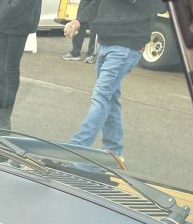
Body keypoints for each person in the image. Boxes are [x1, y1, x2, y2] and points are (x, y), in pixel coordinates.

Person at [66, 0, 160, 158]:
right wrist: (78, 21)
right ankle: (114, 151)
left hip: (127, 45)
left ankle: (76, 149)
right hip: (105, 43)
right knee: (110, 98)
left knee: (101, 96)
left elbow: (160, 6)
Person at [0, 0, 42, 130]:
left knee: (10, 69)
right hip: (3, 19)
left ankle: (4, 119)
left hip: (19, 20)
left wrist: (5, 9)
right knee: (0, 69)